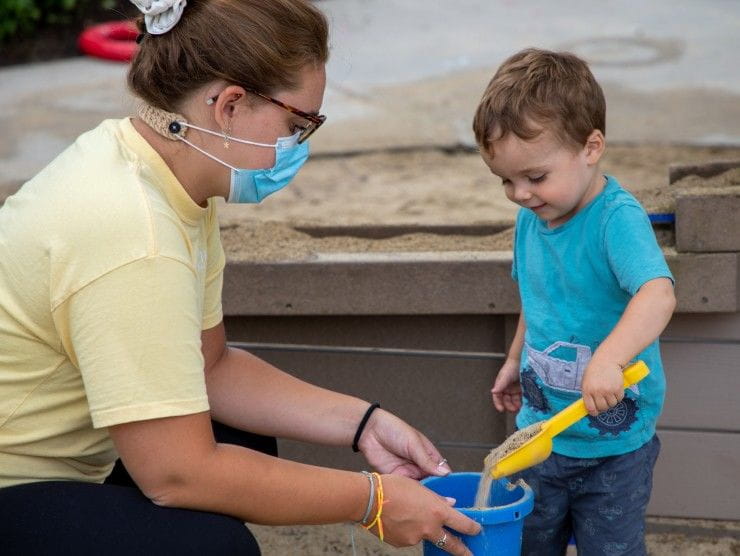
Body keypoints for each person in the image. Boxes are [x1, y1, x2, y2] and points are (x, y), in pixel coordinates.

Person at [0, 1, 481, 554]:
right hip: (14, 482)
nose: (298, 148)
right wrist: (372, 501)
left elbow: (211, 368)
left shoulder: (157, 174)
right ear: (230, 105)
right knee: (212, 546)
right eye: (297, 126)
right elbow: (176, 475)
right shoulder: (136, 235)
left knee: (237, 438)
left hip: (63, 464)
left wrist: (364, 424)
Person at [472, 48, 677, 555]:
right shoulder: (532, 218)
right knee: (530, 543)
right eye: (506, 181)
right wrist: (516, 358)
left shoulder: (615, 221)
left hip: (614, 449)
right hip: (541, 434)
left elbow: (658, 292)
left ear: (591, 147)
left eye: (535, 177)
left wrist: (609, 358)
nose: (520, 194)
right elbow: (535, 297)